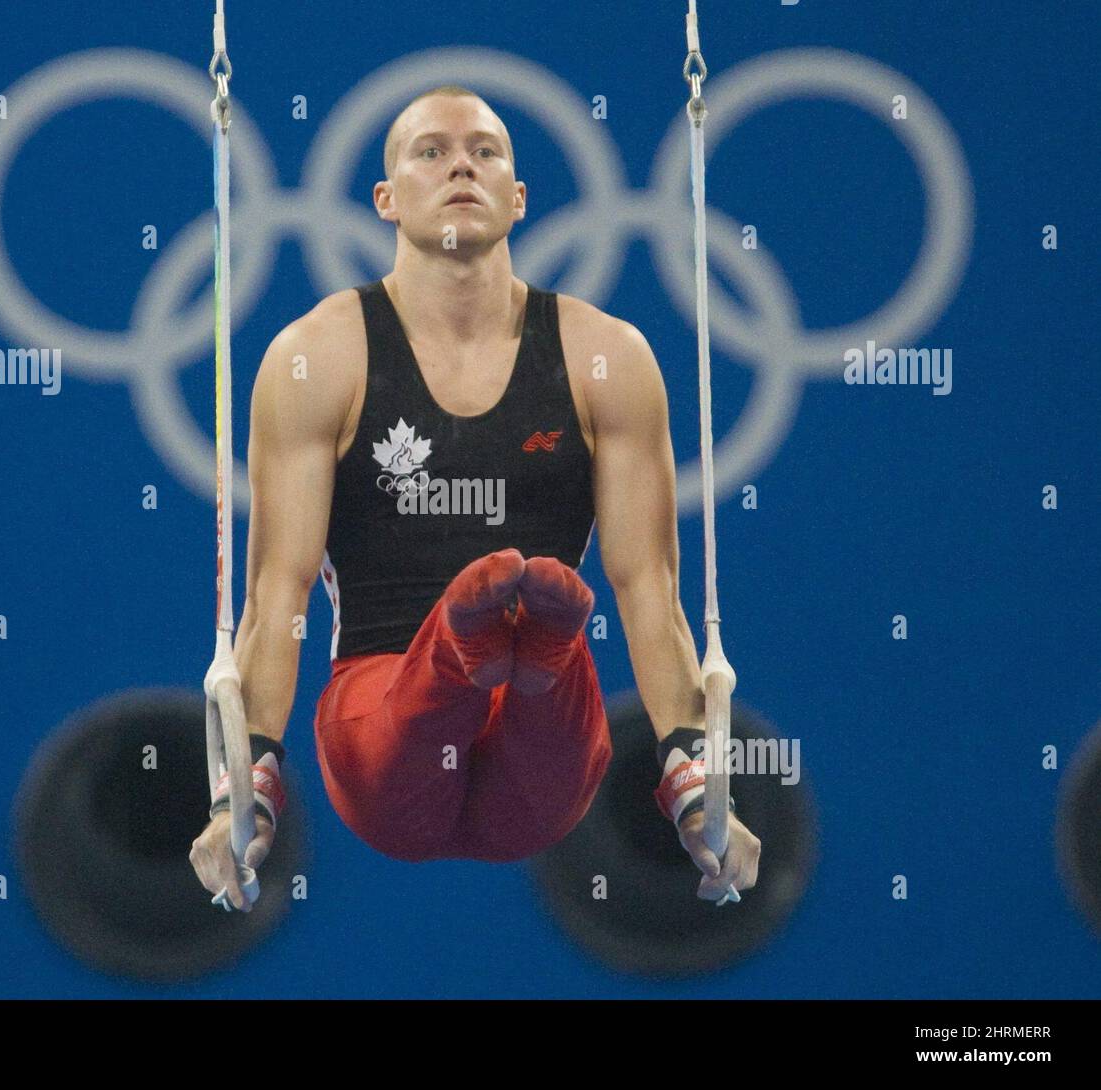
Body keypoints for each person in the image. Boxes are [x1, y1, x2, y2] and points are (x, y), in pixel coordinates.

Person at [190, 85, 761, 907]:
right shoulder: (318, 356)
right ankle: (478, 638)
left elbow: (650, 594)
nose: (461, 162)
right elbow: (275, 595)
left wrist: (703, 790)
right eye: (431, 151)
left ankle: (528, 642)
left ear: (520, 199)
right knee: (437, 685)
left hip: (542, 769)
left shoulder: (609, 358)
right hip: (379, 714)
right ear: (384, 200)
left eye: (485, 151)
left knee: (554, 669)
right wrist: (240, 792)